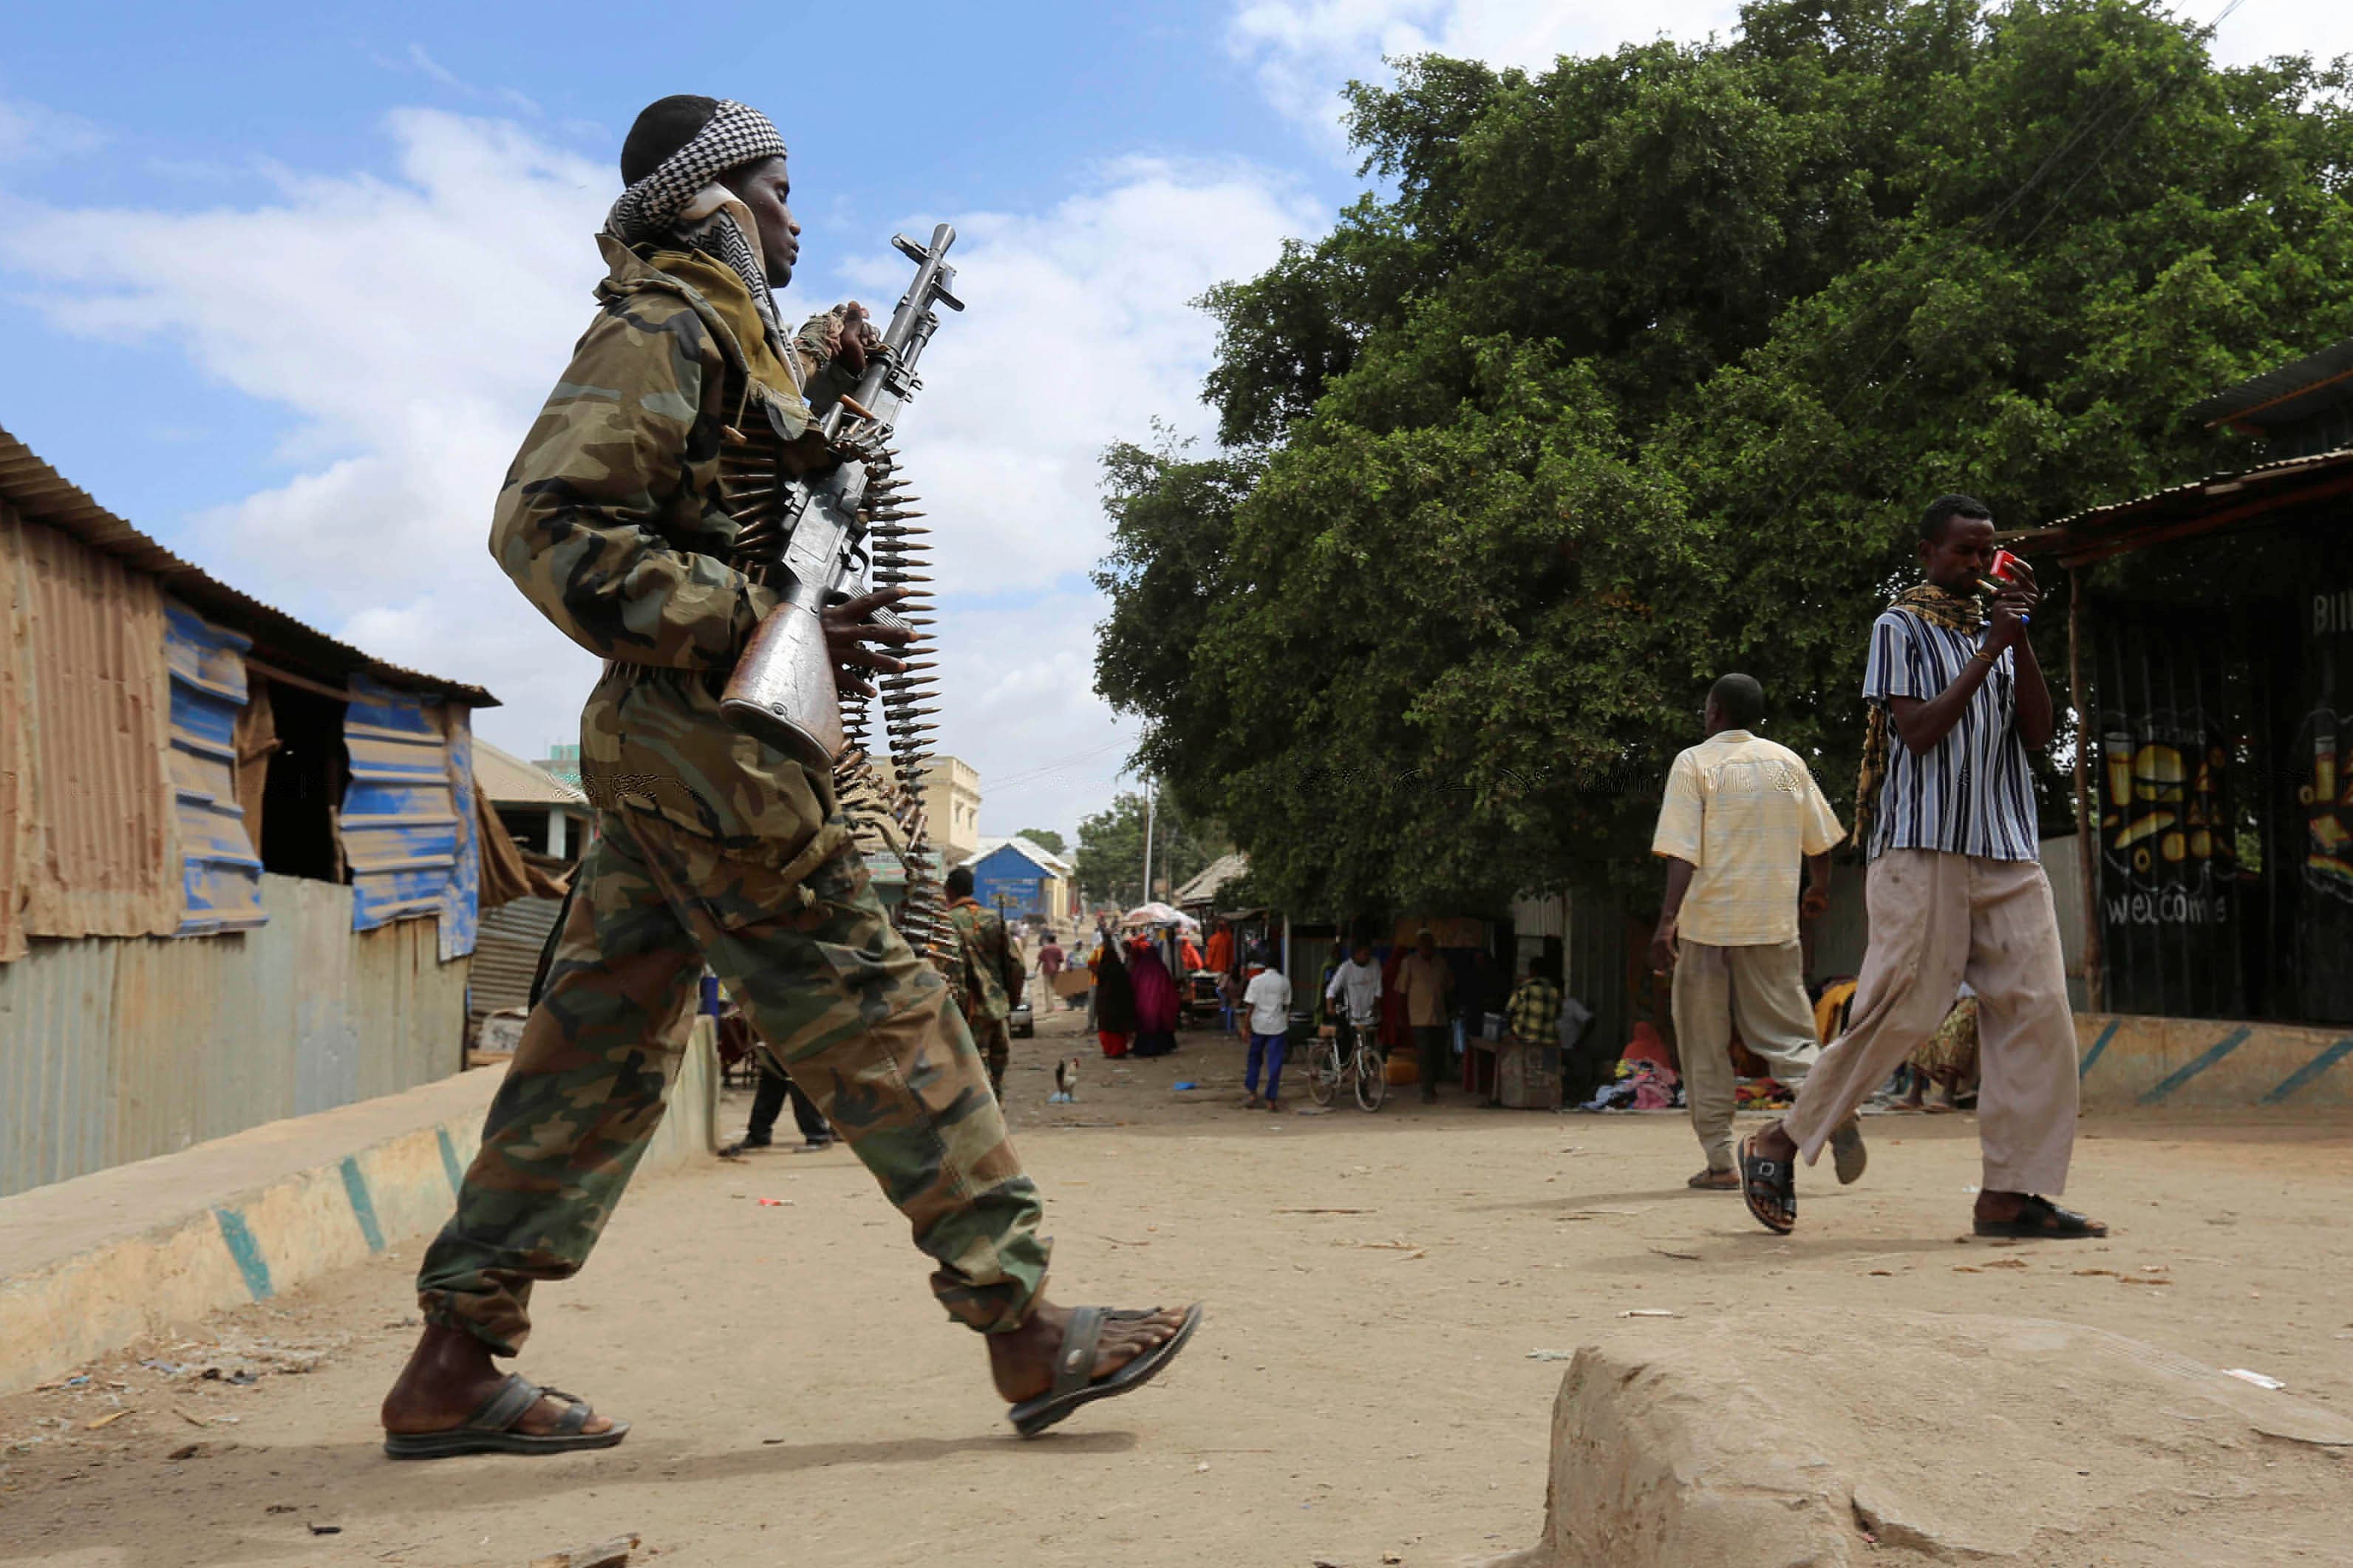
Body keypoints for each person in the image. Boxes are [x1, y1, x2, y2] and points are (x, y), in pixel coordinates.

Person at [381, 95, 1196, 1459]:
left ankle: (452, 1363)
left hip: (671, 753)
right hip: (709, 751)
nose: (795, 214)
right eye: (773, 189)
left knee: (590, 1056)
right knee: (877, 1011)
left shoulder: (724, 335)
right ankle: (1024, 1325)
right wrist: (758, 615)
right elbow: (548, 522)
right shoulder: (666, 324)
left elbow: (729, 484)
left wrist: (820, 382)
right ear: (710, 206)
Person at [1739, 495, 2105, 1241]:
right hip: (1922, 845)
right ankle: (1777, 1141)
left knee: (2039, 1015)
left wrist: (2019, 637)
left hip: (2005, 846)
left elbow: (2035, 733)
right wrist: (1990, 649)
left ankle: (2007, 1195)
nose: (1975, 563)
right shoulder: (1897, 625)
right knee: (1902, 1009)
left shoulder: (2001, 630)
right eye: (1963, 551)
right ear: (1927, 552)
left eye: (1987, 552)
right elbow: (1918, 730)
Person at [1650, 672, 1862, 1193]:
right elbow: (1820, 840)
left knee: (1703, 1045)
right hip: (1771, 924)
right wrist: (1819, 890)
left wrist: (1667, 920)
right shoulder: (1787, 763)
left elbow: (1681, 850)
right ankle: (1832, 1112)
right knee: (1791, 1039)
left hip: (1707, 927)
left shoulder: (1695, 763)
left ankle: (1721, 1160)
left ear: (1716, 711)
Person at [947, 866, 1025, 1102]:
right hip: (998, 1008)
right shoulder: (994, 919)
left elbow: (951, 971)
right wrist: (1011, 999)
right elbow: (1017, 965)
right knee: (997, 1075)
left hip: (969, 1012)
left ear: (949, 891)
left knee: (971, 1073)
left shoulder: (947, 923)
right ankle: (996, 1118)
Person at [1397, 929, 1455, 1102]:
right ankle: (1427, 1091)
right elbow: (1401, 991)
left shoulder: (1441, 963)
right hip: (1418, 1017)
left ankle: (1432, 1086)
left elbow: (1449, 987)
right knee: (1424, 1054)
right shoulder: (1409, 963)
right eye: (1424, 944)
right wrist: (1401, 1016)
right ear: (1419, 946)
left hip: (1439, 1017)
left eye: (1430, 944)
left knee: (1437, 1053)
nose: (1428, 948)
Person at [1904, 986, 1980, 1112]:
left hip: (1978, 999)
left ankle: (1949, 1094)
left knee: (1954, 1027)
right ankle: (1915, 1093)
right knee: (1925, 1027)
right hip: (1952, 998)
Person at [1241, 955, 1293, 1111]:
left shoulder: (1256, 981)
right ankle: (1271, 1100)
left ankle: (1252, 1094)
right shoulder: (1285, 981)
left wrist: (1245, 1027)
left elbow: (1250, 1006)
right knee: (1275, 1063)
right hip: (1278, 1026)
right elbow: (1286, 1005)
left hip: (1258, 1026)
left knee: (1254, 1060)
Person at [1325, 941, 1383, 1062]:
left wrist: (1376, 1006)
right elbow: (1332, 989)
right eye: (1364, 954)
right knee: (1354, 1048)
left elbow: (1379, 989)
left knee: (1369, 1049)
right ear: (1355, 955)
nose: (1367, 957)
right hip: (1353, 1016)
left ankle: (1365, 1075)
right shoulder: (1346, 968)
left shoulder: (1375, 964)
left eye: (1369, 954)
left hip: (1370, 1015)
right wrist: (1330, 1007)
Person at [1128, 937, 1181, 1057]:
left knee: (1145, 1027)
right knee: (1159, 1026)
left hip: (1143, 1009)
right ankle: (1162, 1047)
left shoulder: (1140, 970)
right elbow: (1169, 989)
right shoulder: (1161, 970)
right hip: (1159, 1008)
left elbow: (1133, 986)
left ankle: (1145, 1048)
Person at [1093, 934, 1136, 1057]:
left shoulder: (1102, 972)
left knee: (1107, 1029)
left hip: (1105, 1008)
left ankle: (1109, 1050)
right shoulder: (1120, 970)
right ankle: (1118, 1051)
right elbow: (1127, 989)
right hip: (1118, 1007)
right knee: (1117, 1029)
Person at [1505, 958, 1564, 1046]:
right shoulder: (1555, 990)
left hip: (1524, 1040)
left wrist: (1512, 1032)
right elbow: (1559, 1014)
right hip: (1548, 1043)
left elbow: (1509, 1011)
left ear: (1532, 971)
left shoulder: (1524, 987)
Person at [1036, 934, 1067, 1009]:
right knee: (1053, 988)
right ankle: (1052, 1006)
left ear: (1049, 940)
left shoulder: (1045, 948)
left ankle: (1049, 1007)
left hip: (1046, 970)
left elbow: (1040, 960)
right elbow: (1062, 960)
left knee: (1048, 989)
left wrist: (1036, 969)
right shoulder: (1058, 949)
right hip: (1055, 970)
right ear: (1055, 940)